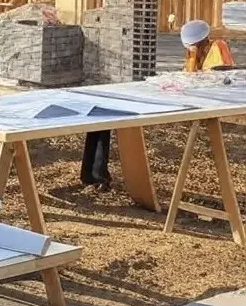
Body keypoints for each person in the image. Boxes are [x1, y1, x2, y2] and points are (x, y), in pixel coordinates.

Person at [80, 19, 234, 188]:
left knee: (106, 114)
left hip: (201, 98)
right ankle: (94, 174)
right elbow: (190, 73)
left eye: (194, 45)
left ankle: (95, 175)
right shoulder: (193, 50)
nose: (192, 48)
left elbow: (221, 75)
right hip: (183, 94)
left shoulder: (217, 46)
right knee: (104, 113)